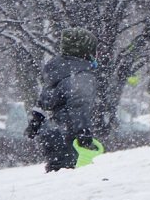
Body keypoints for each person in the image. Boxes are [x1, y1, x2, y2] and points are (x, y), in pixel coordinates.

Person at [24, 28, 98, 172]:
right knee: (70, 176)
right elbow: (79, 106)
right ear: (84, 52)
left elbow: (43, 101)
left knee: (56, 172)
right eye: (93, 51)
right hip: (69, 137)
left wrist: (35, 122)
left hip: (50, 134)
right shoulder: (81, 76)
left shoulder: (57, 71)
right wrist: (83, 133)